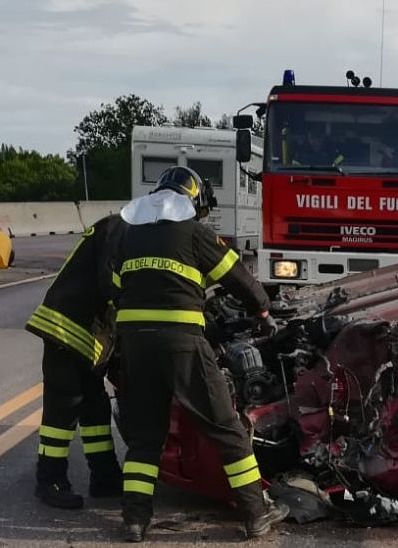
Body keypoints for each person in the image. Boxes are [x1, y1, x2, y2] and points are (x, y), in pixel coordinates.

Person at [112, 166, 289, 542]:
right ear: (190, 200)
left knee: (144, 438)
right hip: (181, 343)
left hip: (135, 344)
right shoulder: (195, 233)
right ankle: (256, 514)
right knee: (226, 428)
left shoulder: (129, 235)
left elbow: (117, 284)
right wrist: (262, 310)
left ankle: (134, 520)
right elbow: (236, 275)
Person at [25, 214, 128, 509]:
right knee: (64, 407)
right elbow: (113, 281)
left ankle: (104, 477)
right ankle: (50, 481)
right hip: (65, 328)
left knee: (95, 406)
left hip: (85, 336)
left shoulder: (123, 228)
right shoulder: (120, 229)